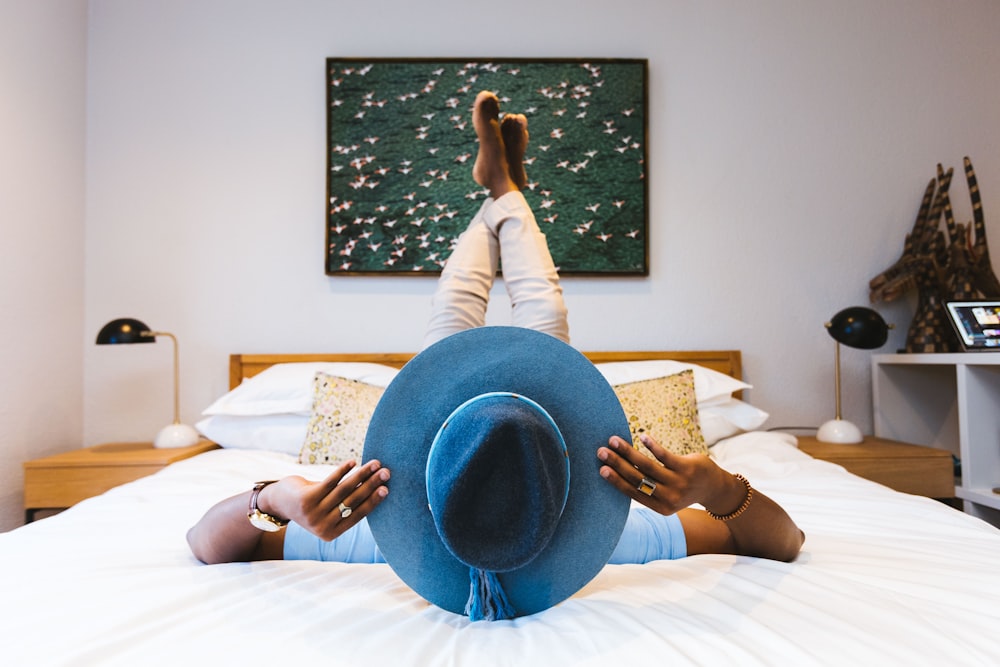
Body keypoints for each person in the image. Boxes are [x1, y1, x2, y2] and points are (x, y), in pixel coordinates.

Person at [187, 91, 803, 573]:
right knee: (539, 314)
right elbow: (784, 540)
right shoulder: (612, 540)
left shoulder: (374, 540)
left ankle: (502, 188)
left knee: (460, 314)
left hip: (460, 432)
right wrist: (718, 487)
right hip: (536, 422)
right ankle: (505, 187)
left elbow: (205, 544)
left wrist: (273, 499)